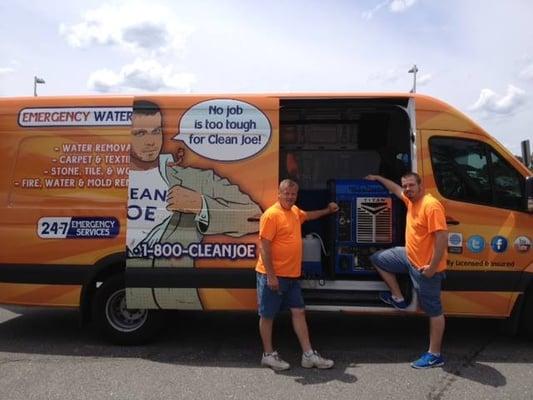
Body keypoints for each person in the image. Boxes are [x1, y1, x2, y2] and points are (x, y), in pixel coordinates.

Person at [127, 100, 262, 309]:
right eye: (140, 133)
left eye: (156, 131)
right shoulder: (111, 183)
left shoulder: (194, 179)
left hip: (177, 299)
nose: (151, 141)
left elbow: (254, 216)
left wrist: (201, 205)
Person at [366, 172, 448, 369]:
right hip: (408, 257)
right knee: (377, 259)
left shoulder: (431, 205)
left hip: (424, 267)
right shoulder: (410, 200)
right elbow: (394, 188)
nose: (407, 189)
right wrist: (378, 177)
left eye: (411, 185)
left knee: (434, 311)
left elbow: (442, 237)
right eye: (406, 186)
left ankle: (435, 355)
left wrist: (432, 267)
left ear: (421, 186)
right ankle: (399, 298)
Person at [256, 179, 339, 371]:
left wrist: (327, 210)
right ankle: (268, 355)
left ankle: (308, 355)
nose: (290, 197)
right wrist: (271, 276)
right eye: (286, 193)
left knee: (299, 311)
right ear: (279, 193)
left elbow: (308, 216)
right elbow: (264, 248)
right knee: (267, 315)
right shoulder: (271, 215)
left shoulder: (294, 212)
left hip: (292, 277)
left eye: (293, 194)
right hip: (274, 275)